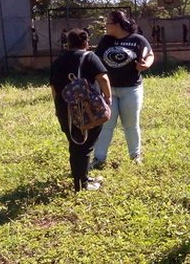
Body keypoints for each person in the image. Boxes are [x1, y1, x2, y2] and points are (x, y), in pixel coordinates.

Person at [50, 29, 112, 192]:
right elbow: (103, 78)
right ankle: (82, 185)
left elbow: (54, 88)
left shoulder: (58, 61)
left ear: (68, 43)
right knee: (85, 146)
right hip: (87, 109)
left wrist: (59, 109)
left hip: (65, 109)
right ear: (86, 42)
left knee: (75, 144)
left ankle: (80, 178)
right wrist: (108, 97)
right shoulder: (89, 57)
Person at [91, 10, 154, 169]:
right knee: (106, 124)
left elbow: (150, 54)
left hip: (131, 89)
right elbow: (96, 60)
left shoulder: (137, 39)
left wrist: (146, 64)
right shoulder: (106, 41)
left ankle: (135, 156)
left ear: (117, 25)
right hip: (109, 90)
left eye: (108, 23)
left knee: (131, 124)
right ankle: (99, 158)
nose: (105, 26)